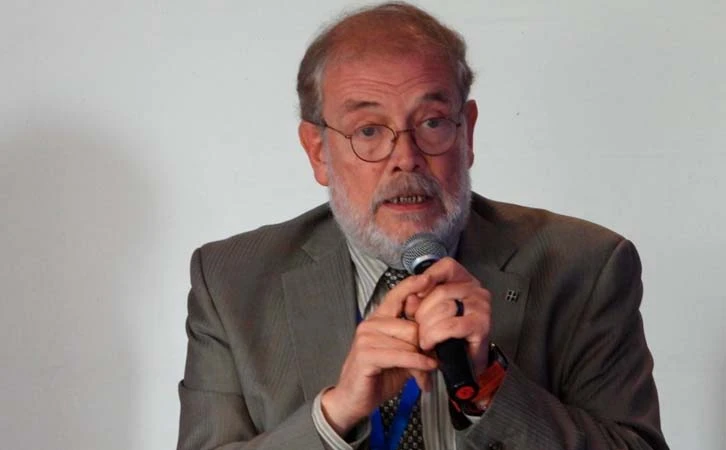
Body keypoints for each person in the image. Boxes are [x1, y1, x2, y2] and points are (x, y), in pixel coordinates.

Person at [177, 3, 669, 449]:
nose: (406, 158)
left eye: (432, 122)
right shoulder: (231, 282)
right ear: (317, 151)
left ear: (467, 131)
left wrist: (489, 385)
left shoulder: (584, 268)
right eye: (369, 131)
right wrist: (334, 415)